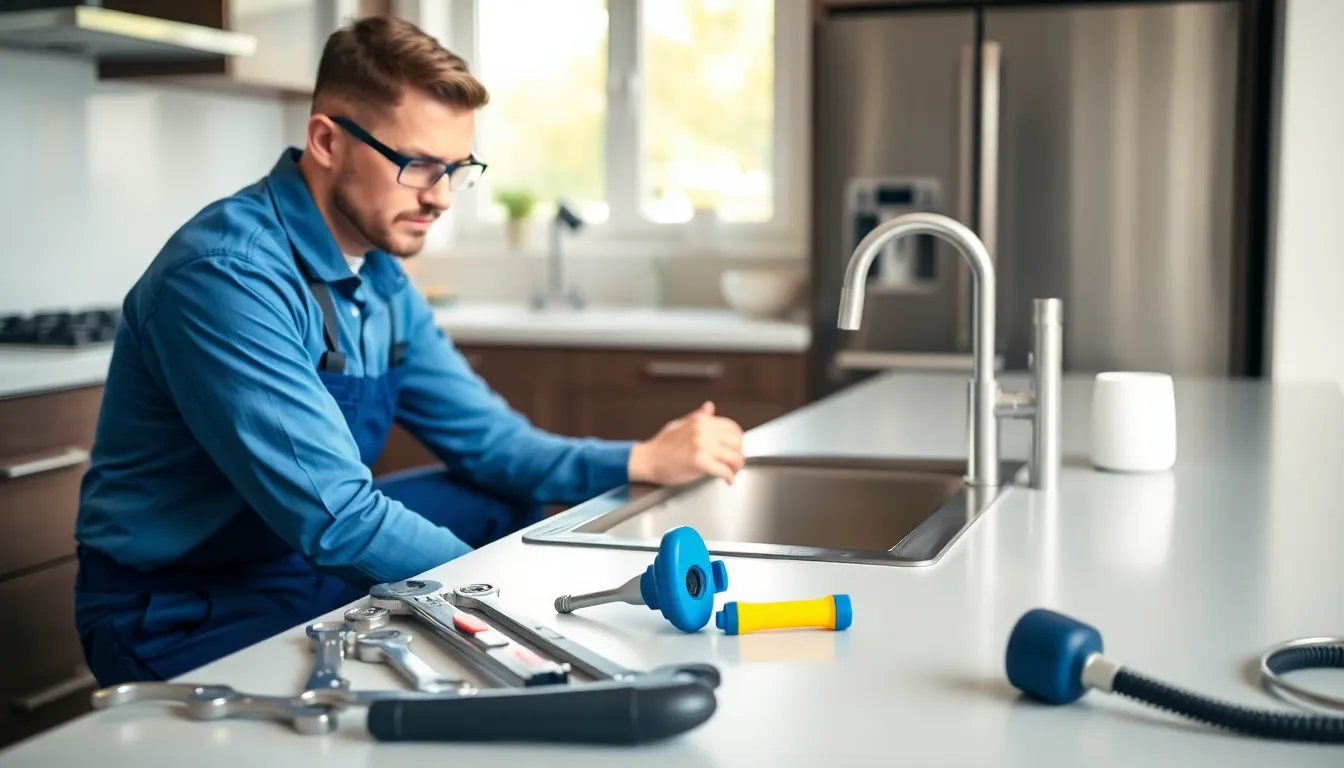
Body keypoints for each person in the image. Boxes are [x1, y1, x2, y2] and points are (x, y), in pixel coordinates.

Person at [73, 15, 746, 686]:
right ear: (325, 140)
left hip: (294, 563)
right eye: (418, 165)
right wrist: (515, 598)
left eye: (458, 169)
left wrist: (641, 459)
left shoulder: (381, 276)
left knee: (495, 500)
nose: (442, 197)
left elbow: (494, 446)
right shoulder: (226, 277)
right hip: (183, 609)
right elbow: (336, 518)